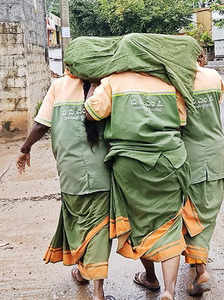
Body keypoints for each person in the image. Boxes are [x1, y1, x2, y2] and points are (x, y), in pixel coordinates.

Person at [84, 71, 190, 300]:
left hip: (129, 163)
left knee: (141, 223)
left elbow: (92, 113)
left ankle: (150, 276)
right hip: (169, 160)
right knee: (170, 224)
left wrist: (93, 86)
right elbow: (182, 120)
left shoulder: (113, 81)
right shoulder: (169, 81)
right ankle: (169, 290)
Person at [16, 72, 112, 300]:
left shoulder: (58, 86)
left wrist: (25, 148)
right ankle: (97, 290)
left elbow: (41, 125)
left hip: (70, 172)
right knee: (100, 229)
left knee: (77, 223)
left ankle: (82, 272)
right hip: (102, 171)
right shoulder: (104, 85)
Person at [181, 53, 224, 296]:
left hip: (191, 157)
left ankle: (200, 271)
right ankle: (197, 263)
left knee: (192, 213)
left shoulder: (177, 80)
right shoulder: (214, 76)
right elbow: (218, 100)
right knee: (207, 211)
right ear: (202, 57)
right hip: (216, 154)